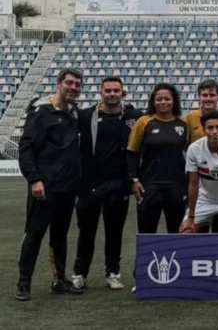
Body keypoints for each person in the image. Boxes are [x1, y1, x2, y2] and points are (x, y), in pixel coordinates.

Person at [16, 68, 84, 301]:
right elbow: (26, 148)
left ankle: (59, 279)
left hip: (67, 187)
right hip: (44, 186)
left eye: (77, 84)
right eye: (69, 83)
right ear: (59, 84)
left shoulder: (74, 112)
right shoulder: (40, 112)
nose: (73, 88)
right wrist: (34, 179)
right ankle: (24, 283)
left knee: (60, 235)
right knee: (34, 234)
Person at [71, 76, 142, 292]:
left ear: (123, 92)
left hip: (119, 184)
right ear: (101, 92)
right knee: (86, 232)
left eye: (116, 90)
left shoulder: (133, 116)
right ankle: (80, 274)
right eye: (108, 90)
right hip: (89, 184)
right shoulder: (86, 116)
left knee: (114, 232)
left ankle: (113, 273)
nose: (112, 94)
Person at [127, 84, 190, 235]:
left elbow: (191, 153)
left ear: (174, 101)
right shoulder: (143, 122)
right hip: (149, 185)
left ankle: (177, 259)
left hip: (176, 186)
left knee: (176, 232)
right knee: (146, 232)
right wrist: (134, 180)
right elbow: (131, 152)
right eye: (159, 99)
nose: (163, 102)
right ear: (153, 102)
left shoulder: (183, 123)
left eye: (167, 99)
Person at [184, 79, 218, 144]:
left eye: (212, 95)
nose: (208, 98)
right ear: (199, 97)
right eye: (205, 95)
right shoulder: (190, 118)